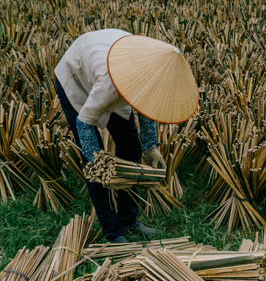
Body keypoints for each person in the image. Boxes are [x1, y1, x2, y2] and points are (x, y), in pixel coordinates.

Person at [55, 29, 199, 243]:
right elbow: (84, 123)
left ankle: (128, 219)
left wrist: (150, 147)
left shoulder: (150, 68)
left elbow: (146, 107)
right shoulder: (109, 85)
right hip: (76, 77)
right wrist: (99, 163)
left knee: (131, 147)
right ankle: (112, 231)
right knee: (92, 161)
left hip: (104, 67)